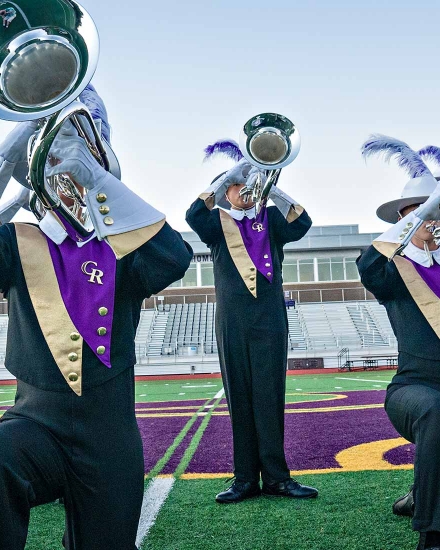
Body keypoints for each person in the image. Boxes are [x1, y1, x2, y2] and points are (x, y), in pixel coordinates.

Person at [0, 85, 192, 549]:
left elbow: (175, 258)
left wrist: (100, 180)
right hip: (34, 425)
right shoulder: (15, 240)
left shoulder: (123, 245)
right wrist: (5, 163)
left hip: (109, 438)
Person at [186, 140, 318, 503]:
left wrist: (271, 186)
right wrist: (225, 177)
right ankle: (244, 478)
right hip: (232, 323)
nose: (244, 190)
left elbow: (302, 222)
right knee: (239, 400)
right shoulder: (216, 222)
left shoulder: (272, 219)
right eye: (236, 185)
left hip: (271, 322)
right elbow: (192, 215)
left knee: (270, 399)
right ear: (226, 191)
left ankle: (277, 478)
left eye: (249, 184)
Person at [358, 134, 440, 550]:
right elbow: (367, 265)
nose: (433, 220)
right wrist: (418, 215)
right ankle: (433, 531)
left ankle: (420, 495)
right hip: (413, 390)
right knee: (436, 410)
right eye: (425, 213)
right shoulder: (394, 271)